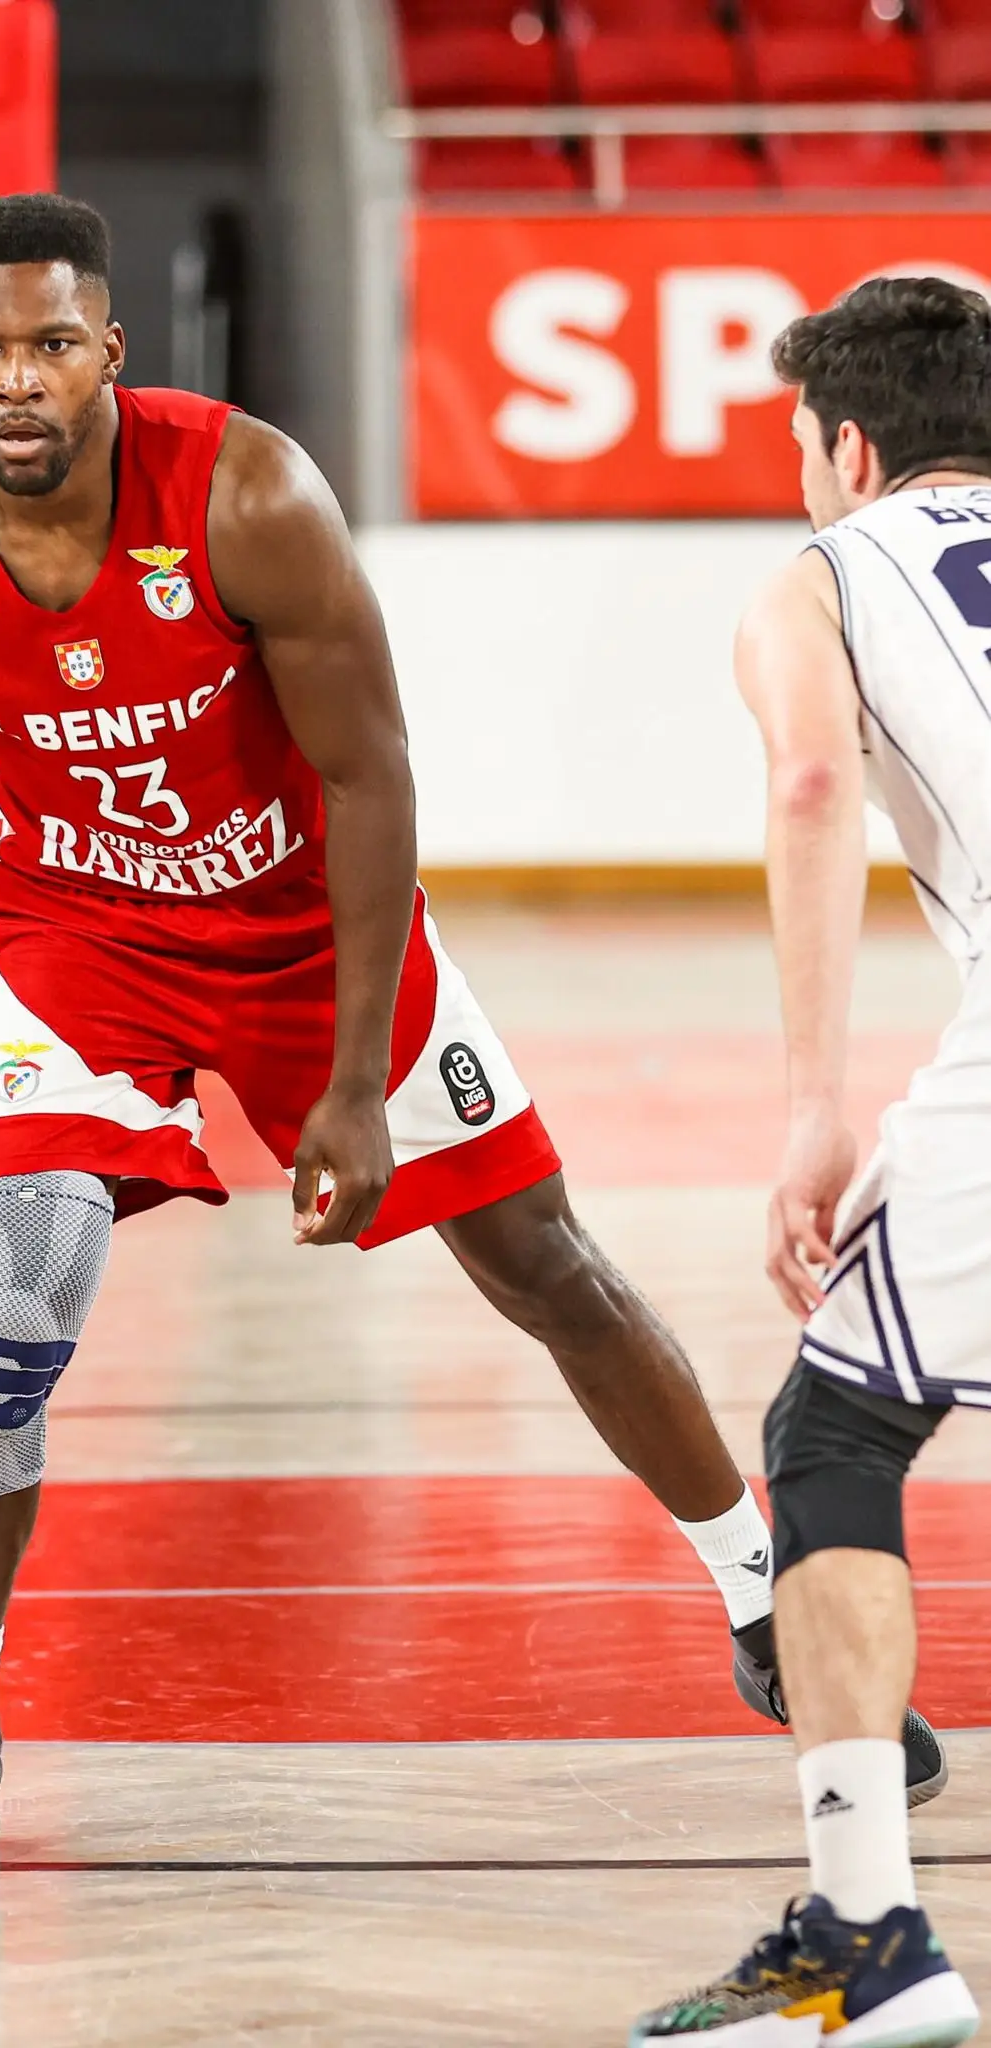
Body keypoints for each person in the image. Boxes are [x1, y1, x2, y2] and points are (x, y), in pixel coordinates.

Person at [0, 195, 913, 1872]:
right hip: (75, 935)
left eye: (49, 345)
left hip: (312, 927)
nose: (17, 381)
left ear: (108, 349)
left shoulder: (245, 494)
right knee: (18, 1295)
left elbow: (369, 772)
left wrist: (347, 1084)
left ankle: (767, 1609)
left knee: (542, 1266)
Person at [631, 278, 988, 2045]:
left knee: (832, 1431)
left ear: (845, 444)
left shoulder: (823, 575)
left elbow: (806, 790)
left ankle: (870, 1939)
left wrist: (808, 1103)